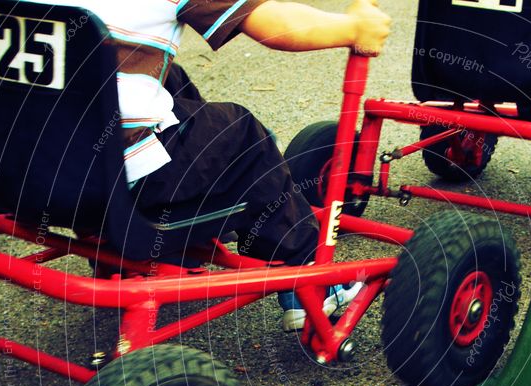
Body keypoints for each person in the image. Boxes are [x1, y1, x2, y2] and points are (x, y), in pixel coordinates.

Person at [24, 0, 391, 331]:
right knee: (241, 135)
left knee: (167, 78)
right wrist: (353, 28)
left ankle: (148, 237)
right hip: (115, 178)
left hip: (19, 172)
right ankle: (309, 278)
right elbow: (275, 24)